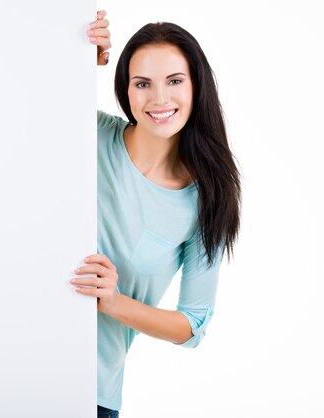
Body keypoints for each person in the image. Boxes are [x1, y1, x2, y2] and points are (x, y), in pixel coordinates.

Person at [77, 11, 241, 418]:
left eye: (174, 81)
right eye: (143, 83)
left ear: (195, 86)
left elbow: (192, 326)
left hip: (89, 392)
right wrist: (74, 64)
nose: (159, 99)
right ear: (126, 90)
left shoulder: (206, 199)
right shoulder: (87, 133)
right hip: (4, 358)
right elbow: (13, 106)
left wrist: (113, 302)